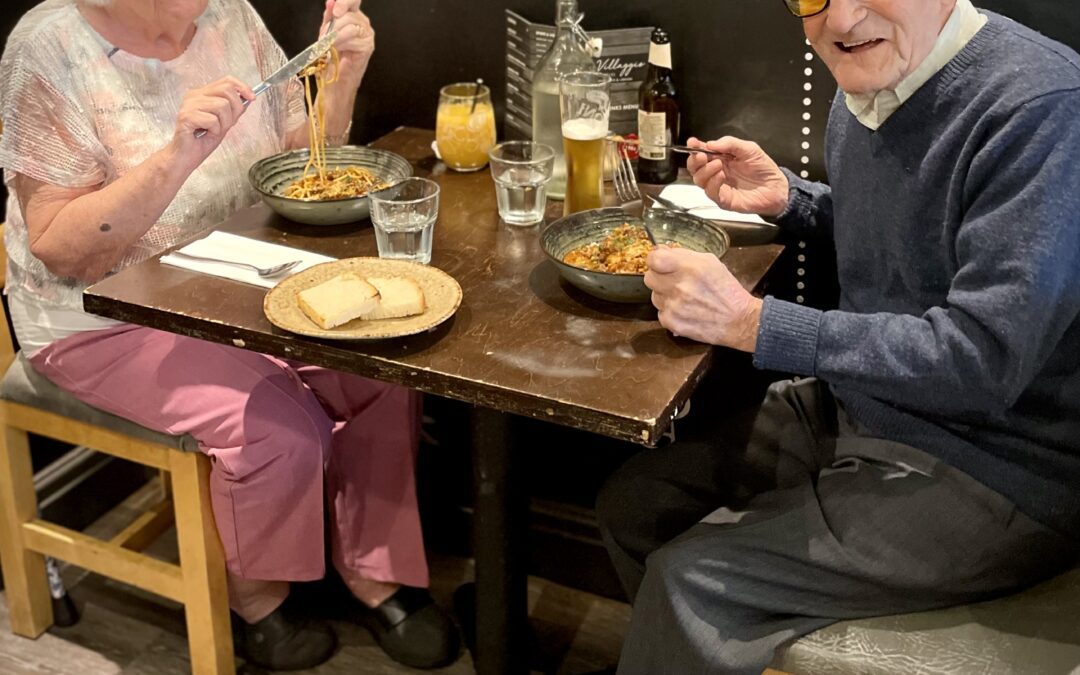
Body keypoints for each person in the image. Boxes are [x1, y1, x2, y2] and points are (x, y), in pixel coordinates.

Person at [596, 0, 1080, 671]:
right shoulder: (871, 79)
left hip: (997, 468)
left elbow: (983, 357)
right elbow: (920, 238)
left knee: (692, 585)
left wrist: (754, 323)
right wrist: (791, 199)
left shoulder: (1042, 108)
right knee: (636, 505)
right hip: (868, 408)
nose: (842, 19)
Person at [0, 0, 459, 670]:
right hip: (100, 316)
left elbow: (298, 165)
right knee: (276, 424)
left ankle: (373, 569)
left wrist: (341, 77)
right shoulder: (50, 46)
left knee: (378, 365)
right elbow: (60, 248)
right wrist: (176, 155)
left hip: (233, 283)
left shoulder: (227, 17)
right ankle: (259, 599)